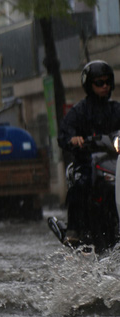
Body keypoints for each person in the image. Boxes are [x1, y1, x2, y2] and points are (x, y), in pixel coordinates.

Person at [57, 60, 120, 243]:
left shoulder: (116, 109)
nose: (105, 86)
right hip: (86, 162)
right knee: (81, 183)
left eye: (108, 82)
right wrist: (73, 139)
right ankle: (74, 230)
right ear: (89, 84)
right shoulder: (79, 111)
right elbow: (64, 133)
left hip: (114, 162)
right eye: (99, 82)